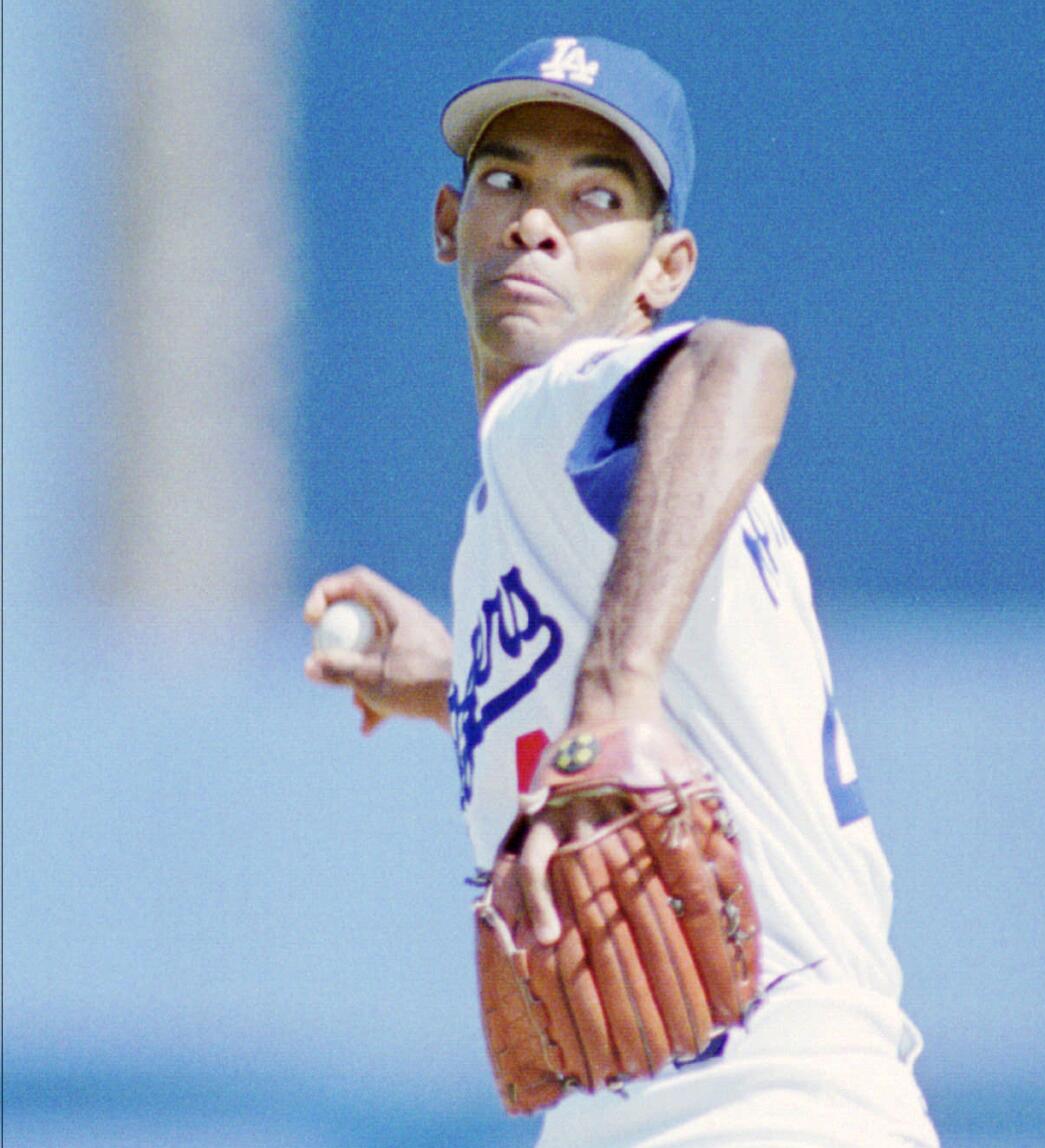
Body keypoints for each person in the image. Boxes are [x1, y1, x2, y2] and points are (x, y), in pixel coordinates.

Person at [304, 35, 939, 1148]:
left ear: (665, 271)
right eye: (508, 179)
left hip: (757, 1110)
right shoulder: (553, 497)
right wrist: (461, 681)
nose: (537, 220)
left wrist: (610, 701)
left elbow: (742, 363)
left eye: (596, 197)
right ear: (449, 223)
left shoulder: (557, 409)